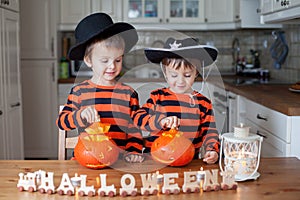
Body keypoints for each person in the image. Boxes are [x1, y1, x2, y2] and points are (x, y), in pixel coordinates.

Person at [56, 13, 144, 163]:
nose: (112, 66)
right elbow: (62, 122)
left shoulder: (128, 94)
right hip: (88, 160)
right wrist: (81, 115)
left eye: (118, 60)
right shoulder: (79, 92)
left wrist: (133, 151)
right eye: (104, 60)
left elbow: (134, 128)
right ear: (88, 60)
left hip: (121, 163)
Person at [132, 37, 220, 164]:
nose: (180, 81)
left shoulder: (203, 103)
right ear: (165, 72)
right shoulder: (158, 97)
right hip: (153, 162)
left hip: (187, 163)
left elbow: (210, 133)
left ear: (196, 73)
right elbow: (138, 118)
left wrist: (213, 151)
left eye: (187, 75)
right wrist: (160, 121)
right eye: (174, 75)